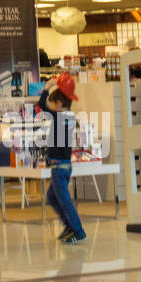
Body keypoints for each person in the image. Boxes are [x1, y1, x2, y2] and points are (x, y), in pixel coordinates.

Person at [37, 73, 86, 245]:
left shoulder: (59, 117)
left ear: (58, 103)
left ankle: (78, 231)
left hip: (59, 168)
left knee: (64, 201)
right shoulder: (70, 117)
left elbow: (41, 104)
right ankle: (69, 226)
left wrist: (47, 88)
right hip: (64, 166)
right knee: (52, 197)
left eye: (53, 104)